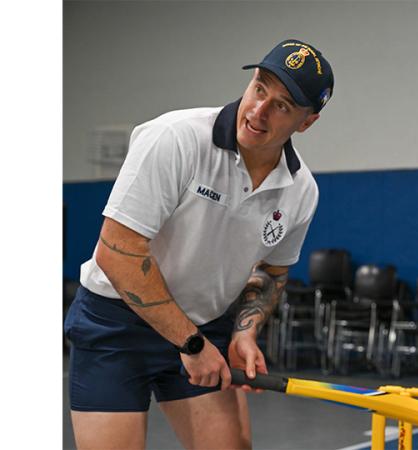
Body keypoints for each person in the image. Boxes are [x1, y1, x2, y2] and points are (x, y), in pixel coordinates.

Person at [64, 39, 333, 449]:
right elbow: (117, 252)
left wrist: (245, 331)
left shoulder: (301, 191)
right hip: (117, 325)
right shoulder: (176, 139)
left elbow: (271, 272)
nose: (259, 111)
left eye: (281, 105)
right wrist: (188, 342)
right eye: (260, 87)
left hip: (203, 327)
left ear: (306, 122)